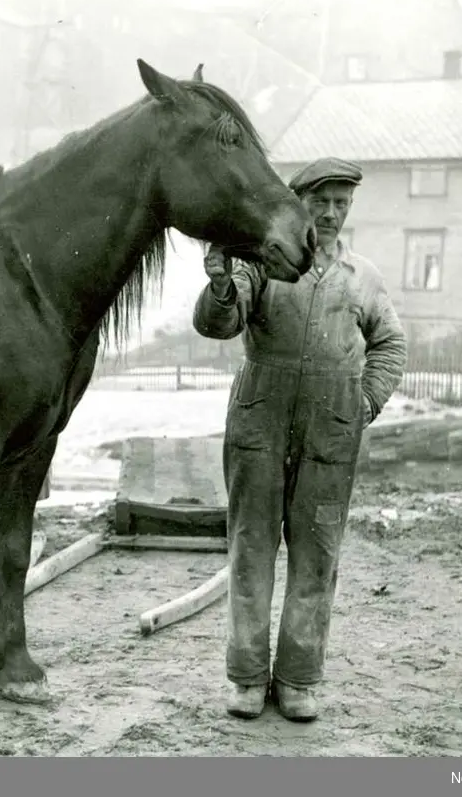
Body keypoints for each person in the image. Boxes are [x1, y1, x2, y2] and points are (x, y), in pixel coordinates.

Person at [192, 156, 408, 722]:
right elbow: (218, 322)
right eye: (321, 201)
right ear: (298, 203)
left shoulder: (363, 277)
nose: (331, 213)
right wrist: (218, 282)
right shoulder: (264, 265)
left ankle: (298, 680)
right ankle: (245, 678)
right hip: (259, 420)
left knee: (317, 557)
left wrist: (363, 404)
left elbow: (391, 345)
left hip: (331, 429)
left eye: (341, 203)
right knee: (251, 550)